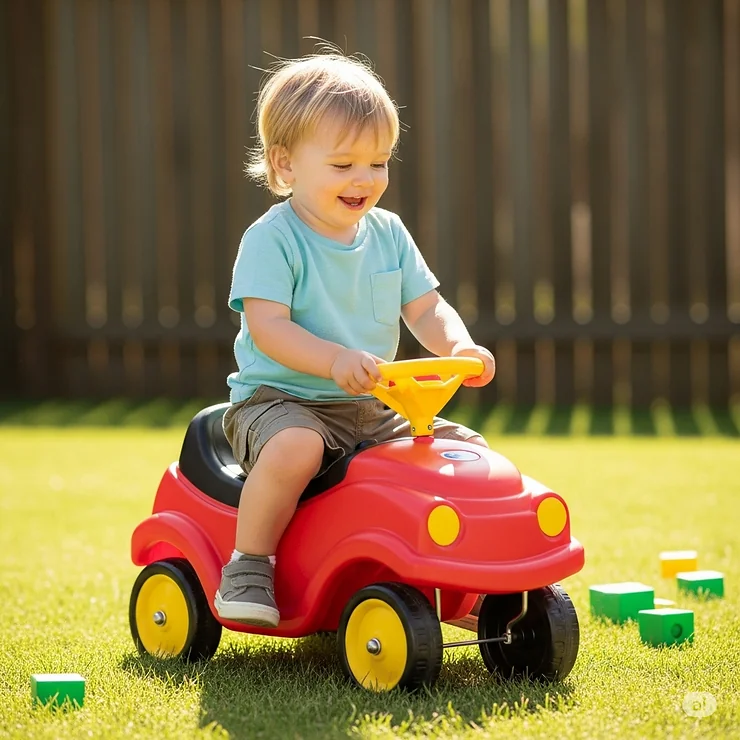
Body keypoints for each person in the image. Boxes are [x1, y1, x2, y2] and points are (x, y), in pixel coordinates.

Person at [215, 51, 495, 627]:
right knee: (298, 447)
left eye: (379, 162)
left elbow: (425, 305)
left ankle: (458, 573)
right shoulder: (273, 239)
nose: (364, 179)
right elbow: (268, 330)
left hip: (371, 404)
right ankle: (249, 563)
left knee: (462, 453)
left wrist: (458, 347)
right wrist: (334, 358)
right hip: (280, 404)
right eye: (343, 165)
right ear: (286, 165)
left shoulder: (388, 233)